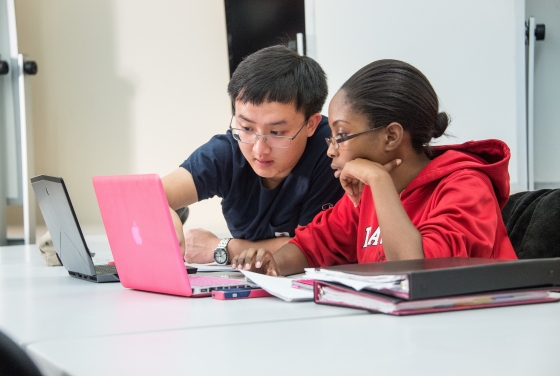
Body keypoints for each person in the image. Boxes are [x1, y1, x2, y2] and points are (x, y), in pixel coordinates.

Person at [231, 59, 517, 276]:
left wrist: (380, 182)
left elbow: (418, 272)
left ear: (391, 136)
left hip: (474, 338)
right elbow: (312, 245)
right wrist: (271, 266)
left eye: (341, 136)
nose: (331, 149)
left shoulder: (466, 187)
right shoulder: (365, 193)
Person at [162, 45, 344, 264]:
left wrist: (221, 248)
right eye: (247, 127)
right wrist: (162, 210)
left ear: (311, 125)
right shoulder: (227, 151)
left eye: (276, 133)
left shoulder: (333, 154)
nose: (259, 149)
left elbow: (315, 247)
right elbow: (147, 196)